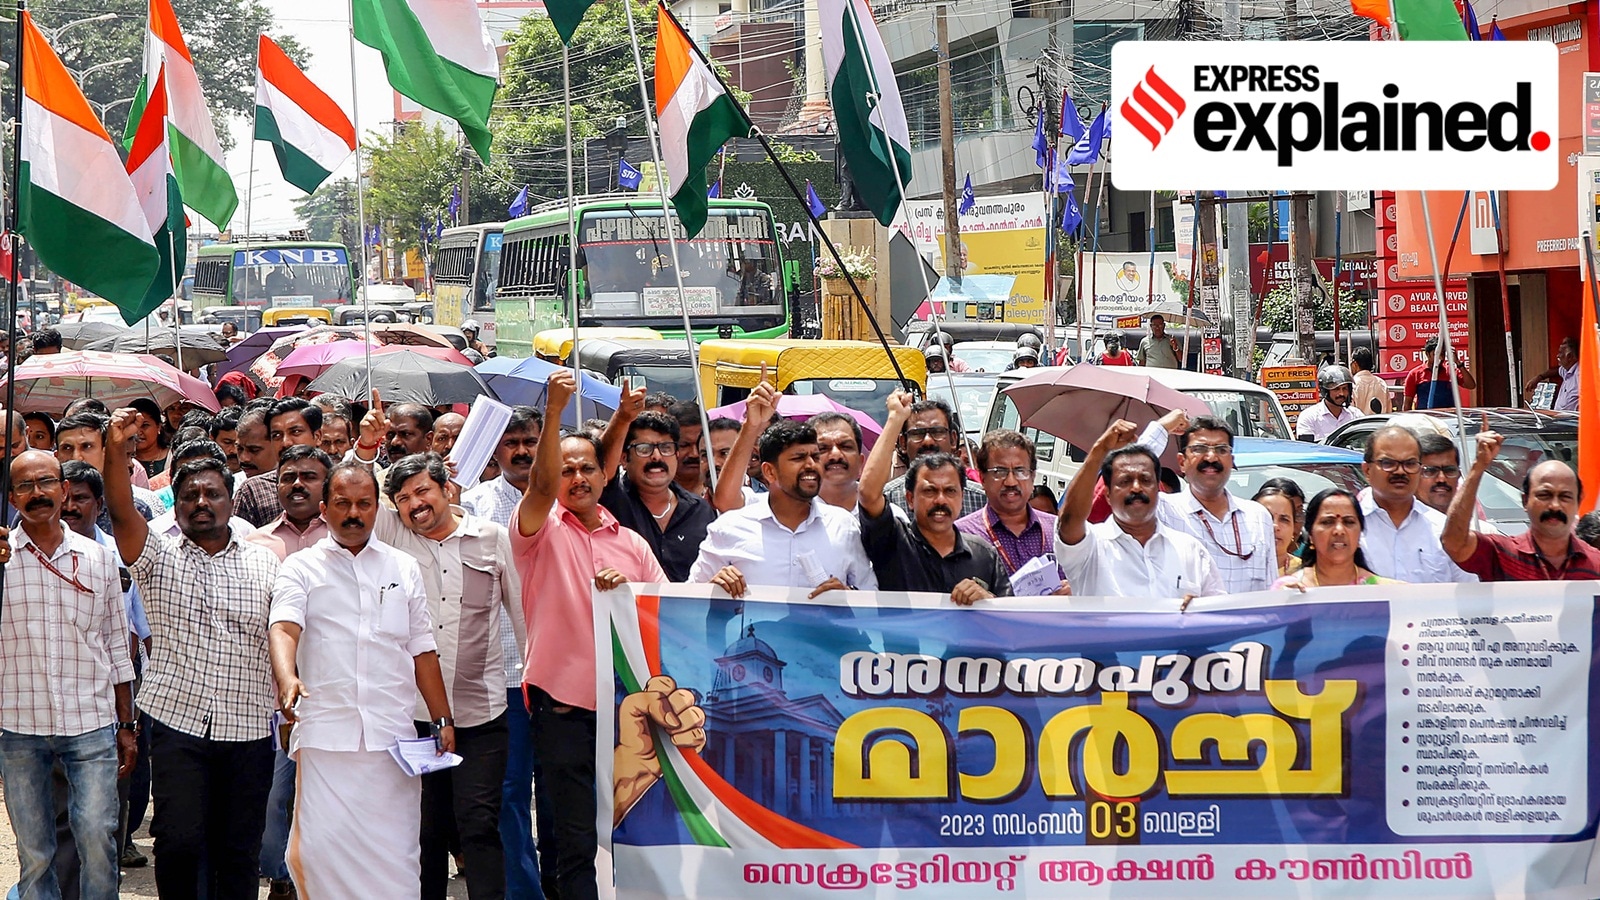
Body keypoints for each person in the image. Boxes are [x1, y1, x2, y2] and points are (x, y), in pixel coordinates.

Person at [103, 408, 279, 899]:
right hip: (178, 721)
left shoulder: (266, 561)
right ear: (175, 504)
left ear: (230, 501)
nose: (201, 502)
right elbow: (119, 510)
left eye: (212, 494)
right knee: (179, 842)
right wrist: (117, 452)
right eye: (189, 496)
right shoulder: (156, 553)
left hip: (247, 726)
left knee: (239, 849)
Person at [269, 462, 456, 899]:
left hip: (392, 742)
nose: (353, 514)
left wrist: (442, 718)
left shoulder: (402, 567)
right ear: (324, 509)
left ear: (377, 509)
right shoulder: (301, 567)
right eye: (342, 504)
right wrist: (288, 678)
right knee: (319, 853)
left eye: (363, 504)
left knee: (395, 862)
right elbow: (284, 626)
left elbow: (422, 649)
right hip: (326, 740)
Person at [513, 370, 665, 900]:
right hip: (565, 708)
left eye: (587, 469)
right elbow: (540, 484)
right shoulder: (537, 528)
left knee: (637, 831)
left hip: (630, 709)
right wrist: (554, 413)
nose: (576, 478)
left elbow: (663, 614)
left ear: (605, 476)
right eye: (567, 469)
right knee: (574, 837)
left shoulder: (634, 545)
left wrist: (629, 591)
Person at [379, 452, 524, 900]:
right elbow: (358, 490)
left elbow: (521, 616)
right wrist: (368, 447)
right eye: (403, 499)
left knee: (479, 823)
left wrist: (532, 677)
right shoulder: (394, 536)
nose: (415, 505)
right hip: (415, 715)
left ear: (448, 489)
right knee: (425, 831)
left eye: (423, 491)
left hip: (481, 711)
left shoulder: (493, 538)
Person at [0, 451, 135, 900]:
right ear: (12, 497)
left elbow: (117, 644)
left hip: (90, 724)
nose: (37, 493)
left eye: (46, 482)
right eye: (24, 485)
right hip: (19, 727)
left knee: (97, 837)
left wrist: (127, 724)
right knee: (35, 853)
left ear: (62, 489)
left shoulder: (98, 558)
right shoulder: (2, 560)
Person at [458, 406, 549, 900]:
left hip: (559, 673)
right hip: (503, 676)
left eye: (529, 440)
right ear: (494, 450)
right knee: (510, 794)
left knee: (559, 795)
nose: (520, 450)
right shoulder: (470, 507)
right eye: (510, 441)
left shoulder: (565, 502)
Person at [241, 445, 331, 900]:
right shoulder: (256, 544)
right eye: (288, 476)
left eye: (309, 477)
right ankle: (281, 878)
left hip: (334, 686)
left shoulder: (345, 540)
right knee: (277, 793)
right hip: (273, 689)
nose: (297, 484)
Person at [689, 419, 877, 595]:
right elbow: (687, 600)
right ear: (770, 472)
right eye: (798, 458)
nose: (811, 465)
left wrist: (848, 597)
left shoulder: (843, 526)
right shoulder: (729, 528)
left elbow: (871, 596)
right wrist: (714, 588)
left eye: (815, 456)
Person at [858, 391, 1009, 603]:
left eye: (949, 491)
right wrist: (895, 419)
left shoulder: (984, 555)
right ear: (909, 498)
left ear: (961, 497)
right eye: (929, 491)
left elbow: (1009, 620)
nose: (940, 500)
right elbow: (868, 494)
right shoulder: (894, 544)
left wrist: (987, 600)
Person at [1055, 420, 1222, 599]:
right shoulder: (1091, 548)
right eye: (1125, 481)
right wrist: (1099, 450)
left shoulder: (1191, 551)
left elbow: (1220, 614)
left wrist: (1197, 612)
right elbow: (1070, 520)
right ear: (1108, 494)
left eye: (1145, 480)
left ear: (1158, 489)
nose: (1136, 488)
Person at [1442, 432, 1600, 580]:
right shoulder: (1502, 554)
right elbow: (1454, 543)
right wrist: (1478, 468)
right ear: (1525, 500)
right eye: (1544, 495)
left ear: (1578, 502)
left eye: (1565, 497)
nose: (1555, 506)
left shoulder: (1595, 563)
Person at [1157, 418, 1278, 593]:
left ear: (1232, 460)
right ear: (1182, 462)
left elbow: (1271, 590)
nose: (1211, 457)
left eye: (1221, 450)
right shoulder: (1164, 511)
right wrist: (1162, 427)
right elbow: (1126, 470)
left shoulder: (1258, 516)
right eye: (1200, 449)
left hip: (1252, 620)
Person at [600, 408, 715, 582]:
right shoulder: (610, 503)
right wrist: (622, 417)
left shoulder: (700, 511)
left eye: (666, 448)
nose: (656, 456)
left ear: (676, 454)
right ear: (623, 459)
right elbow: (602, 465)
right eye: (644, 449)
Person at [1357, 425, 1474, 584]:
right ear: (1367, 470)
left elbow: (1469, 594)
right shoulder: (1348, 529)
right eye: (1388, 463)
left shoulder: (1444, 530)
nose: (1400, 471)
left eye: (1410, 463)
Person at [956, 430, 1069, 593]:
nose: (1010, 481)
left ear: (1033, 477)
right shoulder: (962, 535)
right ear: (982, 478)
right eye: (999, 472)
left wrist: (1075, 593)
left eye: (1020, 471)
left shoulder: (1059, 530)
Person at [1273, 488, 1401, 589]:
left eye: (1349, 522)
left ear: (1359, 534)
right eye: (1328, 522)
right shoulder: (1288, 589)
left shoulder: (1382, 591)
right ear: (1311, 535)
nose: (1339, 531)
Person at [882, 399, 985, 518]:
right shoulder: (887, 501)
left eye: (937, 432)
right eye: (917, 433)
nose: (928, 441)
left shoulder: (982, 501)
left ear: (953, 439)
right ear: (903, 443)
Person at [236, 399, 323, 528]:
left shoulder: (338, 484)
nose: (286, 442)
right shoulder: (252, 491)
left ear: (317, 436)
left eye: (295, 432)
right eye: (277, 435)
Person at [1404, 337, 1478, 410]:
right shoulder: (1415, 374)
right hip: (1426, 418)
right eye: (1437, 354)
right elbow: (1407, 403)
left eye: (1442, 354)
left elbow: (1471, 385)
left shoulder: (1450, 371)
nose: (1441, 358)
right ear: (1427, 354)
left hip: (1447, 418)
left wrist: (1458, 363)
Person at [1296, 365, 1357, 442]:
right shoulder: (1309, 417)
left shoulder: (1356, 415)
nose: (1341, 393)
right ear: (1325, 391)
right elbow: (1306, 448)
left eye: (1345, 388)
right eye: (1336, 389)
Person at [1253, 484, 1303, 578]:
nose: (1275, 526)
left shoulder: (1306, 573)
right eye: (1267, 518)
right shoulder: (1233, 568)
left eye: (1284, 519)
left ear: (1293, 528)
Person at [1523, 336, 1579, 411]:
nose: (1557, 356)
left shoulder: (1579, 375)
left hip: (1571, 420)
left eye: (1560, 353)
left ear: (1569, 357)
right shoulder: (1566, 370)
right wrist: (1539, 377)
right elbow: (1555, 371)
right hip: (1559, 417)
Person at [667, 400, 707, 500]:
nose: (695, 454)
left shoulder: (723, 489)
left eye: (699, 444)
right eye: (684, 445)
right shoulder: (651, 493)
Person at [127, 399, 169, 478]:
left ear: (158, 427)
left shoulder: (173, 457)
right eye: (133, 426)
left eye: (145, 425)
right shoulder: (125, 462)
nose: (138, 432)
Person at [235, 406, 279, 480]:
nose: (243, 458)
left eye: (254, 450)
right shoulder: (232, 486)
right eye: (240, 449)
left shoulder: (298, 483)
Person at [1350, 347, 1390, 415]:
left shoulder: (1353, 385)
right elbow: (1388, 410)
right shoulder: (1381, 383)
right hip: (1380, 424)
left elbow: (1350, 412)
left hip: (1359, 424)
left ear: (1355, 364)